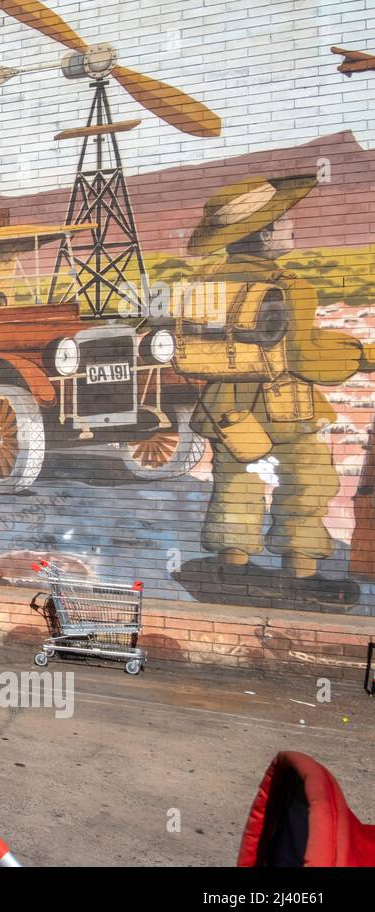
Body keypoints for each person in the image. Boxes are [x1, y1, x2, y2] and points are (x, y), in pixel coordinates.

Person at [186, 173, 375, 602]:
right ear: (267, 235)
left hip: (224, 404)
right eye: (285, 221)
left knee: (236, 480)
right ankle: (302, 573)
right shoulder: (289, 287)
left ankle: (233, 567)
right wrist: (362, 355)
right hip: (283, 403)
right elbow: (306, 357)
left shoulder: (205, 282)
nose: (293, 227)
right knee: (308, 479)